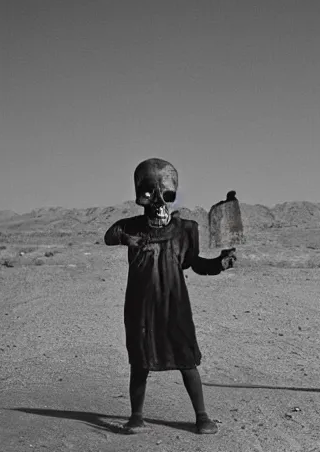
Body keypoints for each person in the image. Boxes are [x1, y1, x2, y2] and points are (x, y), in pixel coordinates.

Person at [105, 158, 236, 434]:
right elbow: (109, 235)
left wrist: (219, 264)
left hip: (175, 306)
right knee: (140, 361)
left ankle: (201, 417)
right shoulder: (131, 227)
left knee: (186, 360)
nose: (158, 202)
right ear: (140, 197)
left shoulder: (185, 230)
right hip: (141, 308)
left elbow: (194, 263)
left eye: (165, 195)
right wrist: (127, 240)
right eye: (150, 195)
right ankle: (136, 416)